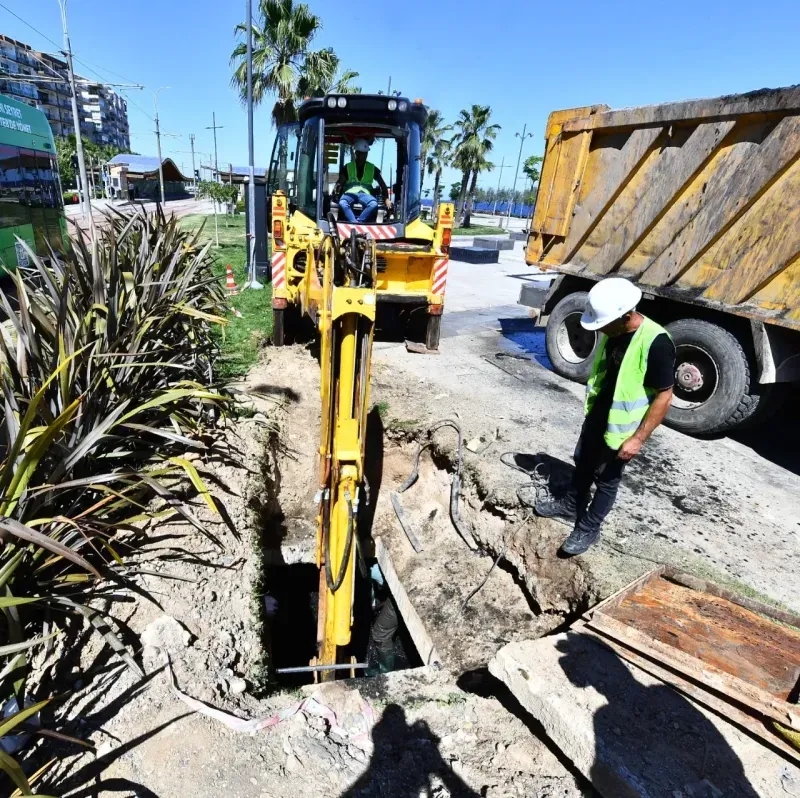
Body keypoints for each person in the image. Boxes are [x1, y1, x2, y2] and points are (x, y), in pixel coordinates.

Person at [536, 277, 675, 556]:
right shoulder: (614, 333)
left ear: (626, 316)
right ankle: (571, 504)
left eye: (604, 323)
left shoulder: (656, 342)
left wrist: (637, 439)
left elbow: (665, 396)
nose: (600, 329)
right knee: (582, 461)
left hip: (623, 428)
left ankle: (589, 526)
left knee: (607, 478)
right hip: (599, 414)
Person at [336, 139, 391, 223]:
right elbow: (340, 183)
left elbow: (382, 185)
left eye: (365, 154)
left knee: (373, 204)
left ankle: (357, 222)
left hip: (365, 194)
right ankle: (355, 222)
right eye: (361, 154)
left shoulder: (372, 168)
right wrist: (336, 191)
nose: (363, 156)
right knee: (342, 203)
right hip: (350, 194)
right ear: (356, 153)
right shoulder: (347, 167)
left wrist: (386, 199)